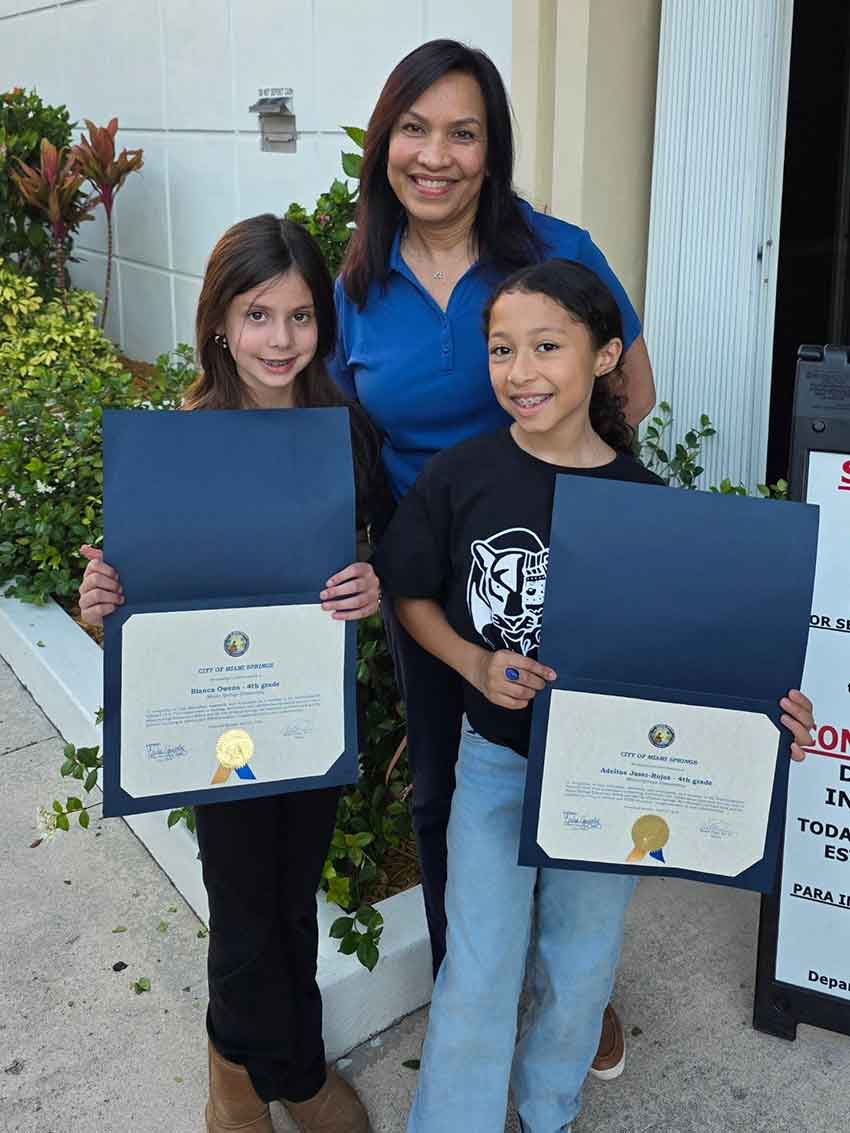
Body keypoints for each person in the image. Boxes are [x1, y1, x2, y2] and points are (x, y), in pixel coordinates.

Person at [372, 259, 816, 1133]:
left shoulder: (647, 505)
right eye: (502, 349)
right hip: (497, 765)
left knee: (580, 966)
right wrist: (473, 663)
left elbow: (694, 659)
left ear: (607, 355)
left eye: (546, 346)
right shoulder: (462, 476)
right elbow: (409, 593)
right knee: (480, 966)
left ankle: (550, 1110)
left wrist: (770, 712)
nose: (520, 371)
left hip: (609, 782)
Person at [330, 38, 656, 1076]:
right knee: (446, 788)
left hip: (567, 559)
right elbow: (324, 428)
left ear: (492, 147)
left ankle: (574, 994)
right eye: (413, 129)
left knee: (576, 774)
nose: (436, 155)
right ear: (383, 142)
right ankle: (476, 981)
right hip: (430, 574)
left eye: (462, 132)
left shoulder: (557, 249)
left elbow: (632, 391)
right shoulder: (355, 283)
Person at [78, 215, 388, 1133]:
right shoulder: (182, 443)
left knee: (292, 900)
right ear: (219, 321)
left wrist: (369, 580)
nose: (280, 339)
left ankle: (269, 1064)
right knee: (244, 905)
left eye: (300, 315)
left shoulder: (344, 432)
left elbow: (371, 547)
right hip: (217, 719)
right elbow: (139, 601)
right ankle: (258, 1075)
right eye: (258, 315)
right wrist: (104, 604)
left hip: (306, 708)